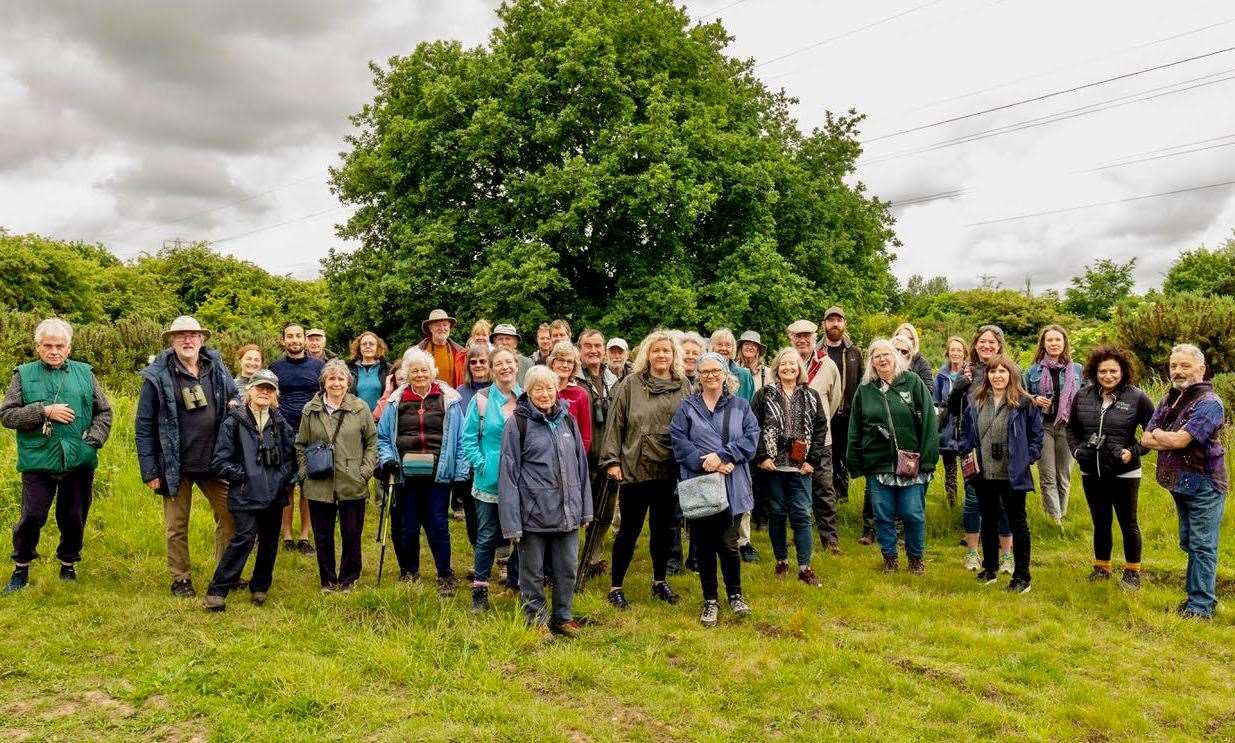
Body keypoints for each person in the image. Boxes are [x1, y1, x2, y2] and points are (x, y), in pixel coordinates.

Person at [1, 318, 112, 593]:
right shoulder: (23, 375)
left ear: (69, 347)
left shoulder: (85, 373)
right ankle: (21, 569)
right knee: (32, 516)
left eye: (59, 345)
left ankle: (68, 564)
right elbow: (6, 415)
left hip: (79, 458)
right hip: (38, 459)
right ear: (37, 347)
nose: (54, 350)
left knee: (74, 515)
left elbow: (104, 412)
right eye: (47, 345)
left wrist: (93, 441)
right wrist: (42, 411)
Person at [136, 316, 240, 598]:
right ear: (172, 340)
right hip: (174, 465)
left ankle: (224, 572)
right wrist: (150, 471)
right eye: (181, 335)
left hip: (215, 461)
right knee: (176, 525)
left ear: (202, 339)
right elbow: (143, 426)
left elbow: (235, 396)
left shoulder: (216, 366)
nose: (188, 340)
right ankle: (181, 578)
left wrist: (235, 404)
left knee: (231, 515)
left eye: (193, 334)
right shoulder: (157, 376)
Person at [600, 329, 691, 609]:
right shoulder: (631, 384)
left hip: (669, 469)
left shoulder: (684, 385)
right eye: (656, 350)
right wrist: (612, 461)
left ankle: (659, 581)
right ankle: (616, 587)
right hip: (635, 468)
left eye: (666, 350)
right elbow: (615, 423)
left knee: (663, 530)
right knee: (629, 529)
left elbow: (692, 425)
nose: (661, 355)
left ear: (673, 355)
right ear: (646, 354)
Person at [498, 366, 592, 637]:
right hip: (533, 516)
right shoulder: (518, 423)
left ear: (557, 390)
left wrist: (585, 510)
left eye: (549, 388)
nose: (545, 394)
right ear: (528, 391)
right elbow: (508, 475)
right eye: (538, 388)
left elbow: (581, 468)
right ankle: (536, 620)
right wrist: (512, 524)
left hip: (567, 512)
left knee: (566, 570)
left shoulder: (568, 420)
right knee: (532, 574)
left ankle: (563, 617)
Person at [669, 353, 760, 626]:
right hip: (699, 486)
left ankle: (735, 595)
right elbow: (678, 441)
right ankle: (710, 600)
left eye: (715, 371)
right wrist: (706, 462)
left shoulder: (741, 406)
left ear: (724, 373)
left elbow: (751, 438)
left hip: (732, 486)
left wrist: (723, 456)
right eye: (704, 371)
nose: (710, 376)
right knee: (704, 546)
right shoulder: (687, 408)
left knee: (728, 544)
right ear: (698, 375)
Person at [1141, 343, 1228, 619]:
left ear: (1201, 369)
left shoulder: (1209, 403)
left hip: (1205, 483)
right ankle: (1197, 599)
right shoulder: (1170, 399)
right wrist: (1165, 437)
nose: (1178, 371)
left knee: (1202, 545)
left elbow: (1181, 440)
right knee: (1190, 542)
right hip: (1180, 483)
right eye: (1173, 366)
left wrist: (1161, 435)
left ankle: (1201, 608)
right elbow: (1144, 438)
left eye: (1185, 366)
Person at [203, 370, 296, 610]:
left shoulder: (280, 423)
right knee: (243, 539)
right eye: (260, 387)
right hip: (245, 493)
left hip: (274, 494)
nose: (265, 392)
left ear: (275, 394)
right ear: (249, 390)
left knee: (269, 542)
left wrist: (280, 479)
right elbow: (219, 461)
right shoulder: (234, 422)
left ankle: (260, 587)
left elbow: (290, 458)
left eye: (270, 389)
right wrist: (243, 476)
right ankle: (218, 590)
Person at [376, 347, 466, 594]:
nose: (419, 375)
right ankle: (410, 572)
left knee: (438, 524)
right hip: (405, 474)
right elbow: (383, 438)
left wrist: (459, 472)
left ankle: (445, 574)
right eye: (414, 371)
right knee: (408, 525)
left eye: (423, 370)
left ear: (432, 372)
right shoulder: (395, 401)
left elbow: (459, 439)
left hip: (438, 473)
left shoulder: (449, 400)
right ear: (406, 373)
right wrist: (387, 460)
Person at [847, 339, 938, 575]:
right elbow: (855, 428)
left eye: (886, 354)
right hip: (878, 464)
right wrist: (855, 463)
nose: (882, 359)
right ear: (872, 362)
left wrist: (928, 461)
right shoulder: (865, 390)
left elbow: (929, 421)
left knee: (912, 514)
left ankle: (916, 559)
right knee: (883, 515)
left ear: (895, 356)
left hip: (911, 463)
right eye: (876, 356)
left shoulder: (913, 382)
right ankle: (889, 559)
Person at [1066, 346, 1153, 589]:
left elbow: (1152, 435)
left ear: (1123, 371)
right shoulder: (1082, 396)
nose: (1108, 376)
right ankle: (1102, 568)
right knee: (1101, 521)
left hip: (1125, 472)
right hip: (1091, 471)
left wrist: (1132, 452)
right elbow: (1070, 429)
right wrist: (1076, 451)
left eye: (1113, 371)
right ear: (1094, 372)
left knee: (1128, 522)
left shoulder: (1138, 398)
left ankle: (1132, 573)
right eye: (1102, 371)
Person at [959, 354, 1043, 593]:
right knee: (988, 519)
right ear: (987, 375)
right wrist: (967, 453)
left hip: (1012, 473)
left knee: (1018, 522)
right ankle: (990, 569)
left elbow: (1036, 437)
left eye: (1002, 372)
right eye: (993, 372)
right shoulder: (976, 400)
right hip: (983, 472)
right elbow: (966, 433)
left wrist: (1027, 458)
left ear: (1012, 375)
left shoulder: (1024, 403)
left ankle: (1022, 577)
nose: (997, 376)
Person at [295, 360, 378, 592]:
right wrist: (304, 473)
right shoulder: (310, 409)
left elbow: (372, 442)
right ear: (324, 382)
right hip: (318, 481)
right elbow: (300, 444)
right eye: (331, 378)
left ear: (348, 382)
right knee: (323, 535)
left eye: (341, 379)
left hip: (352, 479)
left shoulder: (360, 408)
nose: (336, 383)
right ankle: (328, 580)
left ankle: (349, 578)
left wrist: (365, 471)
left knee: (352, 533)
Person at [750, 347, 829, 587]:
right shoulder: (764, 394)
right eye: (783, 364)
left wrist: (812, 461)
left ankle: (805, 567)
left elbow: (819, 429)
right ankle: (781, 561)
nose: (788, 368)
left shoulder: (811, 395)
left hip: (800, 468)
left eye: (792, 364)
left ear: (799, 368)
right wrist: (762, 456)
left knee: (802, 515)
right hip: (773, 467)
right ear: (776, 368)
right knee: (777, 514)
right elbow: (753, 427)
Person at [462, 348, 524, 611]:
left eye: (509, 362)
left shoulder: (527, 398)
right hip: (489, 482)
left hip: (523, 481)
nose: (505, 367)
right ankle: (480, 591)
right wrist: (482, 464)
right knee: (487, 536)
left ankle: (514, 583)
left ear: (516, 365)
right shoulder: (482, 399)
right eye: (498, 363)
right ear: (492, 369)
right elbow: (467, 439)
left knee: (523, 536)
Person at [947, 325, 1013, 573]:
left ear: (999, 346)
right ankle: (972, 553)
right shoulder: (967, 372)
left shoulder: (1010, 370)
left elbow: (1020, 402)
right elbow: (953, 409)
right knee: (974, 500)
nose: (986, 346)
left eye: (992, 342)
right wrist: (959, 386)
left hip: (1004, 448)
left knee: (1004, 502)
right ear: (975, 345)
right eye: (982, 342)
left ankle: (1006, 555)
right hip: (973, 447)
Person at [787, 319, 844, 554]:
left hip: (822, 441)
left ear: (814, 337)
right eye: (797, 336)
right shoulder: (784, 363)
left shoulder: (827, 365)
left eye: (806, 336)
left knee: (824, 488)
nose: (802, 340)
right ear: (790, 338)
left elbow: (834, 400)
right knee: (795, 489)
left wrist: (817, 427)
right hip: (790, 441)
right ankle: (798, 533)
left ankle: (829, 538)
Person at [269, 323, 325, 555]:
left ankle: (304, 535)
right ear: (283, 340)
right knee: (286, 485)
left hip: (312, 432)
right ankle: (287, 535)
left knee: (308, 485)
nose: (294, 340)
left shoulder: (319, 366)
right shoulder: (275, 368)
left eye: (298, 336)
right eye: (289, 336)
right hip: (283, 433)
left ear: (304, 339)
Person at [1024, 324, 1083, 525]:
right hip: (1043, 427)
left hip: (1068, 427)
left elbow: (1086, 397)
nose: (1054, 343)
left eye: (1058, 339)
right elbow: (1022, 395)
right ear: (1043, 344)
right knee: (1047, 476)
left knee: (1063, 476)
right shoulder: (1033, 370)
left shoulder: (1077, 370)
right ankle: (1055, 521)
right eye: (1049, 340)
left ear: (1064, 342)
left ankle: (1061, 514)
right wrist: (1034, 398)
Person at [820, 307, 862, 507]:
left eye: (838, 320)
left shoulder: (854, 352)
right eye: (830, 320)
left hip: (847, 414)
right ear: (824, 324)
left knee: (844, 455)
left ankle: (843, 495)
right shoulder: (817, 351)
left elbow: (862, 382)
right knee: (826, 455)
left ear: (844, 324)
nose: (834, 324)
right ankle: (825, 493)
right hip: (824, 414)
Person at [453, 342, 494, 542]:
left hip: (494, 458)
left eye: (483, 361)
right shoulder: (460, 393)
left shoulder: (498, 389)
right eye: (473, 362)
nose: (478, 365)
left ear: (490, 364)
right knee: (472, 510)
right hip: (469, 461)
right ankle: (478, 554)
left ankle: (502, 556)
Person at [933, 336, 969, 508]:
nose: (955, 353)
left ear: (965, 353)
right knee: (950, 468)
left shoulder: (969, 372)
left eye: (959, 350)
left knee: (968, 467)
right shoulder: (941, 375)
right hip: (947, 425)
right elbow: (936, 401)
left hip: (965, 423)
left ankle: (970, 503)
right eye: (952, 350)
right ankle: (952, 503)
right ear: (948, 353)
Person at [547, 341, 593, 453]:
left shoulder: (581, 394)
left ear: (574, 366)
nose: (565, 365)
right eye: (561, 360)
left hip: (571, 455)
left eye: (569, 362)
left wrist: (577, 458)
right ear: (552, 362)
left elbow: (586, 436)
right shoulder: (542, 391)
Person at [417, 308, 468, 388]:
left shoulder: (460, 353)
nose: (442, 328)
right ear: (430, 328)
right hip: (428, 398)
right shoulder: (418, 352)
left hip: (453, 397)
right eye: (437, 325)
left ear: (449, 327)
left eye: (445, 325)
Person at [346, 332, 391, 413]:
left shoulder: (387, 369)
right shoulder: (349, 369)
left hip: (381, 418)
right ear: (359, 348)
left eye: (371, 344)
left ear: (378, 347)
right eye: (364, 344)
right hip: (356, 416)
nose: (367, 346)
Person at [709, 328, 756, 402]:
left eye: (728, 345)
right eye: (719, 344)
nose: (724, 348)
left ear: (733, 348)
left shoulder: (745, 376)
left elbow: (752, 406)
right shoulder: (703, 372)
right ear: (712, 347)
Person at [894, 322, 934, 389]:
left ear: (915, 341)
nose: (905, 340)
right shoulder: (886, 359)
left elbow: (929, 390)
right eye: (902, 337)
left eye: (910, 338)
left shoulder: (921, 363)